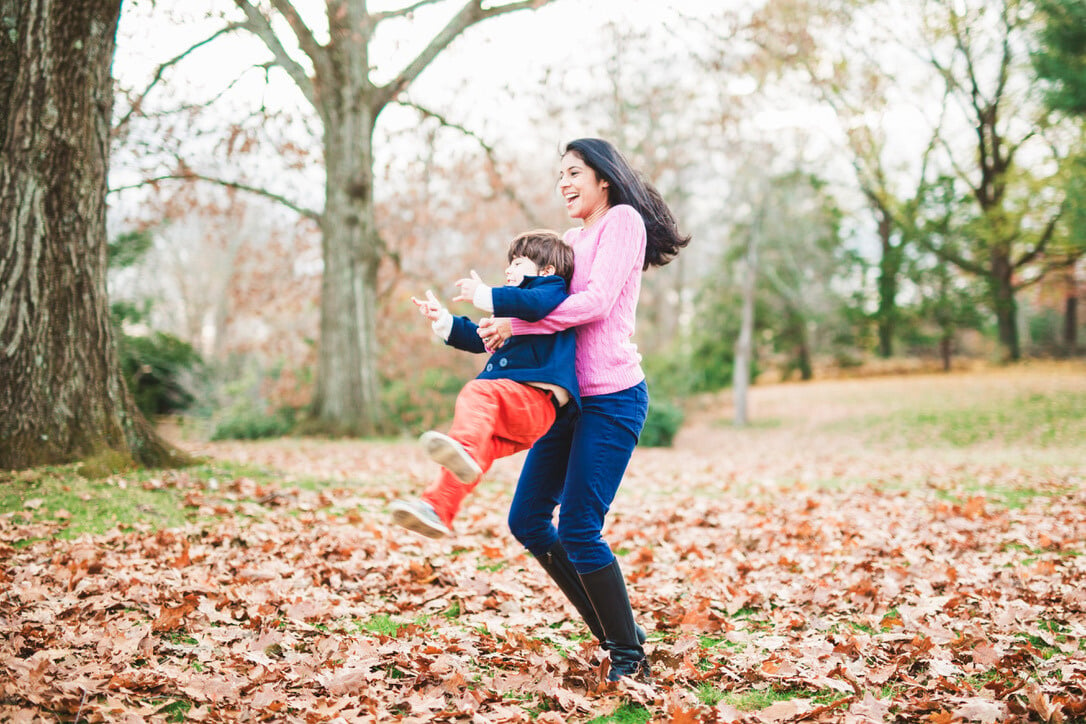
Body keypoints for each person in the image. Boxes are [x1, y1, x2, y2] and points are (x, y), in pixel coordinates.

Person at [477, 138, 690, 682]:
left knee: (577, 524)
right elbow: (554, 309)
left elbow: (593, 305)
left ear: (603, 179)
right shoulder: (571, 239)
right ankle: (618, 631)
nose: (564, 184)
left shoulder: (622, 223)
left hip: (614, 399)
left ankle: (628, 658)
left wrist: (501, 306)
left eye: (574, 172)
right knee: (527, 519)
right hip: (566, 399)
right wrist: (507, 326)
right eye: (560, 176)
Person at [390, 229, 579, 539]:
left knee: (478, 392)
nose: (508, 269)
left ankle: (463, 448)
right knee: (477, 453)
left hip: (532, 401)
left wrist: (483, 293)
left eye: (518, 263)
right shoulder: (511, 315)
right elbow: (479, 338)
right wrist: (444, 320)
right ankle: (437, 509)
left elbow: (532, 304)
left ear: (547, 270)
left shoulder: (551, 292)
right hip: (520, 418)